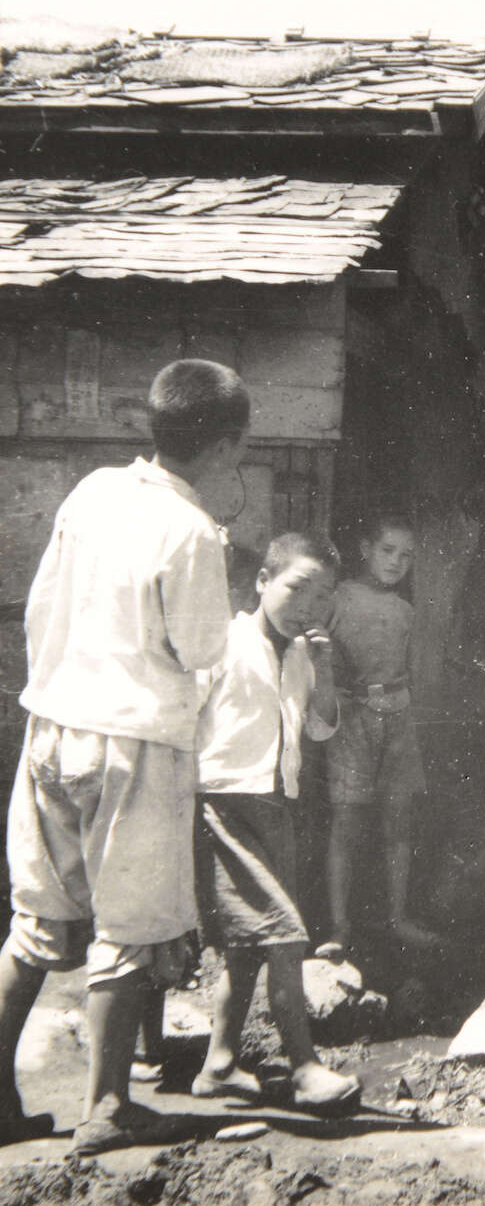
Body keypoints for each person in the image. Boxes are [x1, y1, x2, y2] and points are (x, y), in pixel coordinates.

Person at [0, 360, 247, 1155]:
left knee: (39, 922)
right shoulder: (190, 530)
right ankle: (107, 1108)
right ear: (228, 444)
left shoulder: (93, 491)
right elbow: (204, 644)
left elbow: (43, 605)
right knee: (130, 927)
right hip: (132, 741)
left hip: (53, 722)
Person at [191, 532, 360, 1112]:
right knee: (286, 935)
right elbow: (185, 721)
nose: (310, 607)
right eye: (298, 590)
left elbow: (321, 729)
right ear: (263, 582)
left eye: (324, 597)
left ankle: (217, 1064)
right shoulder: (223, 643)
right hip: (225, 805)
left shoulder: (302, 656)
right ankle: (305, 1066)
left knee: (248, 947)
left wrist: (325, 668)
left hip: (277, 806)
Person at [317, 515, 438, 961]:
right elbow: (318, 656)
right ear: (366, 547)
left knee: (398, 821)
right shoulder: (340, 598)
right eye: (388, 550)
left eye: (407, 555)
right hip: (352, 721)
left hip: (399, 720)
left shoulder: (406, 611)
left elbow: (414, 670)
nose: (397, 562)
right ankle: (338, 926)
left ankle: (398, 917)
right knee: (346, 822)